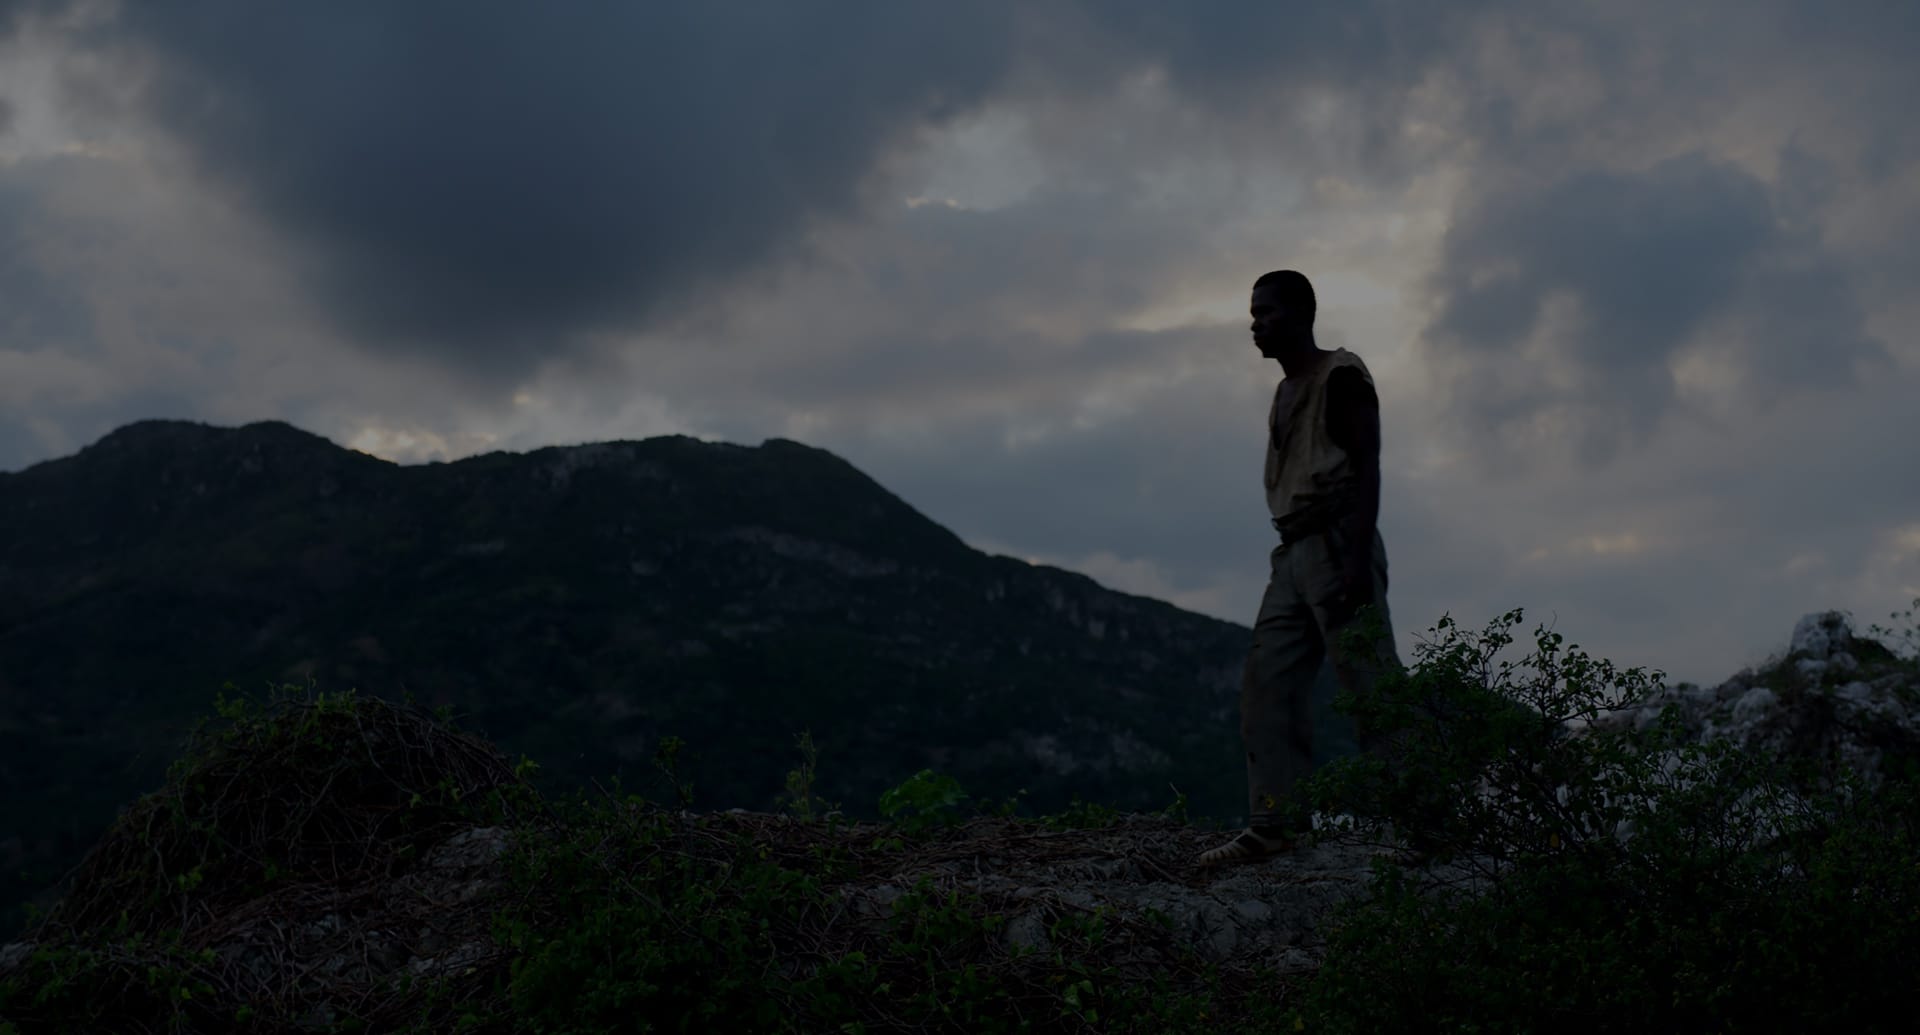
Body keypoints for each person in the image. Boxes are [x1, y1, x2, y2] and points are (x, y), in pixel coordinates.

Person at [1199, 269, 1405, 867]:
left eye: (1267, 313)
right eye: (1253, 314)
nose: (1256, 325)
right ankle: (1276, 824)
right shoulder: (1285, 390)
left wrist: (1357, 562)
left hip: (1339, 538)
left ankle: (1426, 823)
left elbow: (1368, 465)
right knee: (1268, 682)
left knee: (1371, 685)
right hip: (1292, 548)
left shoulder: (1341, 375)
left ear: (1302, 314)